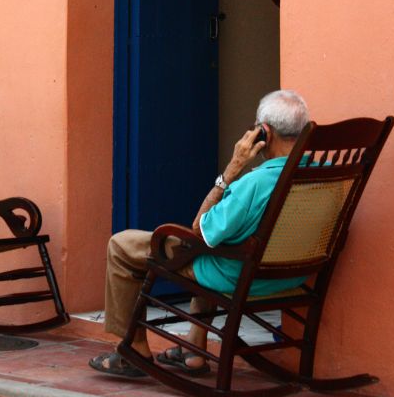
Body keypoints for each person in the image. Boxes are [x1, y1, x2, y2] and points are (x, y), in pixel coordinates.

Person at [89, 89, 310, 378]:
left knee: (121, 245)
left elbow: (201, 228)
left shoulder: (255, 183)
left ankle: (134, 350)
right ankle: (193, 352)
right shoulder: (324, 172)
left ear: (263, 132)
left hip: (237, 275)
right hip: (293, 276)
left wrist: (230, 171)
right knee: (212, 245)